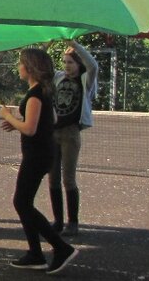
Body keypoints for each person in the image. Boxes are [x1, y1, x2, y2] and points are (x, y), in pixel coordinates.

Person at [0, 48, 78, 274]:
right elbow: (50, 119)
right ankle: (35, 253)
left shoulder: (35, 94)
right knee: (23, 202)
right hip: (42, 152)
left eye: (21, 64)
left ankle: (60, 247)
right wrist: (18, 122)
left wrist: (10, 118)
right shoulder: (43, 91)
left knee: (22, 202)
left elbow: (30, 129)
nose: (19, 67)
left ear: (30, 68)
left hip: (37, 155)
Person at [49, 40, 98, 236]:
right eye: (65, 62)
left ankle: (73, 222)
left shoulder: (85, 80)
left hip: (70, 133)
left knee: (68, 179)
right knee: (52, 178)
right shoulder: (58, 78)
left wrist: (75, 45)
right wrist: (46, 45)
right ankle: (58, 221)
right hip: (54, 133)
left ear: (78, 64)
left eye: (70, 62)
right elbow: (40, 68)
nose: (66, 66)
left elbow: (93, 65)